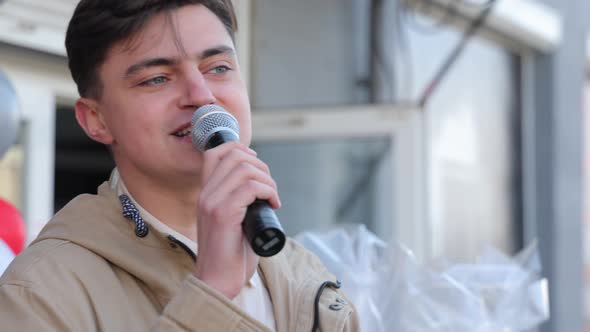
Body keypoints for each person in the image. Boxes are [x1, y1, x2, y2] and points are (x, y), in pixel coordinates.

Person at [0, 1, 360, 331]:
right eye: (157, 78)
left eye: (218, 68)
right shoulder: (39, 293)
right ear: (97, 119)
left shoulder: (304, 272)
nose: (201, 95)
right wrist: (212, 292)